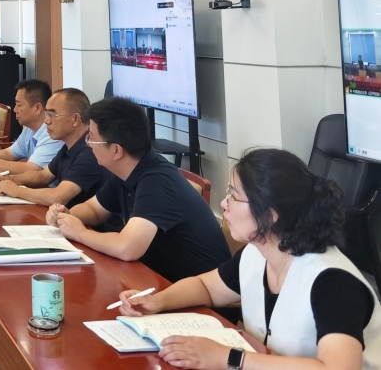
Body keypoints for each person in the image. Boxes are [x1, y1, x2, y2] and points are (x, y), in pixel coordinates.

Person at [117, 148, 381, 370]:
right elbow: (206, 287)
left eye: (233, 196)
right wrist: (157, 301)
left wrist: (228, 357)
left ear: (270, 215)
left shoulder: (333, 282)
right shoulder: (257, 252)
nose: (224, 204)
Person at [46, 97, 229, 282]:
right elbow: (93, 209)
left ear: (116, 151)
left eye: (91, 137)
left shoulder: (157, 182)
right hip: (156, 279)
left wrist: (80, 233)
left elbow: (127, 247)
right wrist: (65, 216)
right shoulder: (125, 171)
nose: (88, 143)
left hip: (201, 291)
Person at [0, 88, 104, 208]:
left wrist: (17, 191)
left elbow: (58, 197)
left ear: (75, 119)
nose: (46, 120)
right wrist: (10, 179)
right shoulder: (68, 147)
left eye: (52, 115)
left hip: (81, 219)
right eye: (46, 114)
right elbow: (42, 176)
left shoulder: (89, 152)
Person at [0, 79, 63, 174]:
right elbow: (9, 154)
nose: (15, 110)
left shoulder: (51, 134)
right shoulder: (29, 129)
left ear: (37, 108)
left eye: (19, 105)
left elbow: (32, 169)